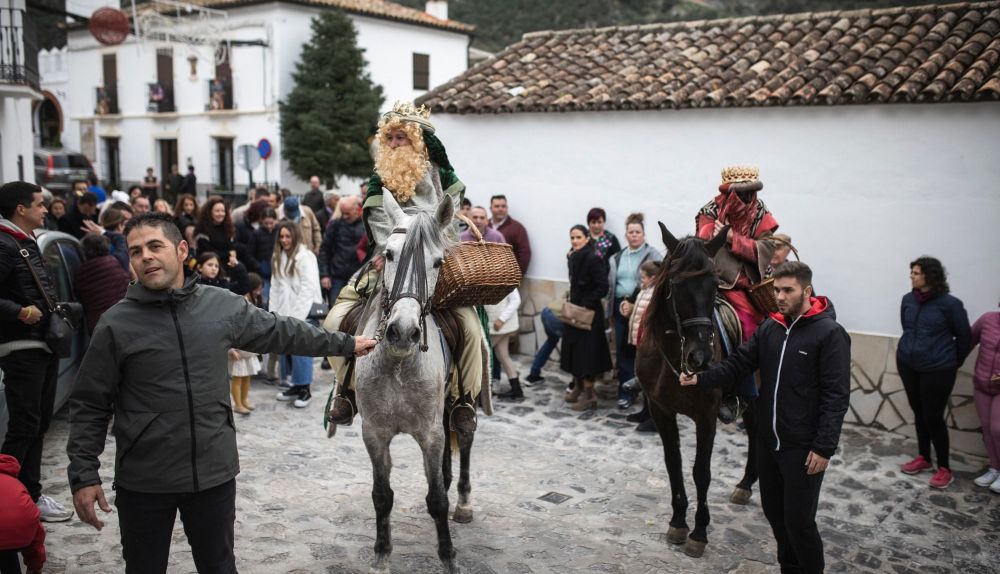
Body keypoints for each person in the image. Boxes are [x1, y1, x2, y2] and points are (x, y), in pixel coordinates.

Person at [66, 213, 376, 574]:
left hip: (212, 475)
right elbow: (89, 403)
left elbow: (283, 332)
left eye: (155, 246)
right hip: (145, 481)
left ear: (181, 250)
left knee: (219, 567)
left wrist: (345, 344)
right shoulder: (116, 324)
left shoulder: (221, 306)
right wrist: (84, 475)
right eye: (136, 252)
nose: (146, 257)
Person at [680, 261, 851, 574]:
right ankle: (790, 568)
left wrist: (824, 447)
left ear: (807, 291)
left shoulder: (830, 334)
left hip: (803, 448)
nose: (780, 296)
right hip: (768, 444)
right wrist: (700, 379)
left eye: (788, 290)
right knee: (774, 513)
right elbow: (739, 363)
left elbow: (836, 396)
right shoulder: (770, 328)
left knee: (799, 522)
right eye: (776, 290)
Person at [325, 101, 485, 434]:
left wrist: (432, 247)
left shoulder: (443, 177)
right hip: (389, 260)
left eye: (402, 138)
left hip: (433, 263)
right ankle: (346, 390)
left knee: (471, 330)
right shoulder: (378, 179)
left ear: (418, 142)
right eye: (391, 139)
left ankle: (463, 400)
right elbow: (379, 220)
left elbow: (450, 223)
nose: (395, 145)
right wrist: (392, 247)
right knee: (334, 320)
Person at [0, 181, 74, 522]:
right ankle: (8, 498)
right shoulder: (4, 244)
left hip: (40, 344)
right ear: (20, 208)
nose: (45, 209)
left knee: (38, 423)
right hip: (22, 346)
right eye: (39, 204)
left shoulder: (21, 241)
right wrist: (17, 311)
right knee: (24, 426)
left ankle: (30, 495)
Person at [696, 165, 780, 423]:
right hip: (707, 280)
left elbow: (766, 249)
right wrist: (717, 232)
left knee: (747, 326)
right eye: (740, 192)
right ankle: (649, 372)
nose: (745, 198)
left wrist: (732, 237)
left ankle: (740, 395)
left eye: (750, 192)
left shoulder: (761, 213)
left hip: (740, 286)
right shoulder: (710, 209)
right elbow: (703, 238)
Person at [897, 256, 972, 489]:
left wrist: (951, 362)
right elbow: (906, 327)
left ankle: (944, 468)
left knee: (933, 416)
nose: (911, 276)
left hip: (938, 369)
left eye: (916, 273)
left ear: (930, 276)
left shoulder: (950, 304)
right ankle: (924, 458)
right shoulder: (908, 300)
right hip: (909, 364)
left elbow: (965, 337)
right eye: (912, 272)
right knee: (919, 412)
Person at [607, 212, 662, 409]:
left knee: (644, 352)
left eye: (638, 232)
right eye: (630, 232)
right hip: (619, 308)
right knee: (623, 352)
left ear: (644, 234)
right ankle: (626, 392)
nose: (634, 235)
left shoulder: (653, 255)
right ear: (626, 235)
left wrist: (633, 303)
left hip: (643, 308)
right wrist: (612, 311)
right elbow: (612, 286)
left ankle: (649, 397)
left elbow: (658, 282)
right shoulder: (617, 257)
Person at [270, 222, 324, 407]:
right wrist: (273, 314)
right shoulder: (278, 257)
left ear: (295, 236)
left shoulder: (305, 256)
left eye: (288, 236)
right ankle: (293, 385)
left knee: (302, 349)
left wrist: (297, 316)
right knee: (286, 350)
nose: (284, 240)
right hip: (285, 311)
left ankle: (305, 389)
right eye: (282, 236)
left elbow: (308, 288)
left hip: (304, 312)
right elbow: (275, 288)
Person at [561, 224, 612, 411]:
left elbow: (603, 287)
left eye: (578, 238)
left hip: (589, 314)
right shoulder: (573, 256)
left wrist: (585, 303)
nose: (575, 241)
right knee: (574, 351)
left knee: (587, 355)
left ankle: (590, 396)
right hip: (574, 311)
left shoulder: (593, 258)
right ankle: (578, 387)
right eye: (572, 238)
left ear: (586, 238)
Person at [620, 259, 661, 431]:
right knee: (644, 378)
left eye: (643, 277)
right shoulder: (644, 290)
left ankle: (656, 419)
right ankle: (645, 411)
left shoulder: (656, 293)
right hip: (641, 342)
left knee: (652, 381)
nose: (641, 281)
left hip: (651, 345)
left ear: (653, 278)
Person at [971, 300, 1000, 492]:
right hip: (982, 384)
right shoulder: (987, 319)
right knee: (987, 429)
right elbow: (968, 340)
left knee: (998, 428)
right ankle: (994, 468)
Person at [73, 234, 129, 333]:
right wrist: (103, 231)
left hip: (98, 326)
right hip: (125, 318)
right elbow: (122, 242)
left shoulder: (79, 274)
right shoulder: (117, 261)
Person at [0, 454, 46, 574]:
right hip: (19, 534)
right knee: (7, 548)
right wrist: (35, 566)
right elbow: (36, 529)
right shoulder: (16, 484)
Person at [228, 274, 265, 415]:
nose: (259, 291)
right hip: (239, 348)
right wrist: (231, 348)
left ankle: (244, 400)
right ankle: (237, 403)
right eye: (258, 288)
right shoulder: (240, 301)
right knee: (238, 377)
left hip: (249, 347)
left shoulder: (254, 300)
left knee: (247, 376)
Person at [319, 195, 364, 303]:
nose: (344, 216)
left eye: (347, 213)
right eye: (343, 213)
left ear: (357, 209)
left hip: (359, 277)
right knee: (335, 311)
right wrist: (324, 275)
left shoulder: (366, 225)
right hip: (337, 276)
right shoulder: (335, 225)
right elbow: (325, 250)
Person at [490, 287, 524, 400]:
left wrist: (501, 319)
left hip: (499, 325)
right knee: (502, 355)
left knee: (481, 354)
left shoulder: (505, 272)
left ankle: (482, 392)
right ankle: (516, 390)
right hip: (498, 324)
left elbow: (516, 300)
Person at [489, 194, 532, 276]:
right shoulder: (485, 226)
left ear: (507, 208)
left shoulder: (517, 228)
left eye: (503, 206)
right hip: (485, 275)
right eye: (497, 206)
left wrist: (517, 276)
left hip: (507, 276)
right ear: (491, 208)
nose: (500, 209)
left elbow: (524, 253)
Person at [525, 305, 565, 384]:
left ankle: (534, 374)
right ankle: (575, 384)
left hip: (547, 312)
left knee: (551, 341)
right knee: (575, 347)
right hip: (557, 318)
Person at [195, 197, 236, 266]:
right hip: (209, 265)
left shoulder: (227, 228)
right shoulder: (202, 230)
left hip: (227, 264)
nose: (221, 214)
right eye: (217, 211)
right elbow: (209, 253)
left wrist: (232, 257)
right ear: (209, 212)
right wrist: (228, 254)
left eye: (223, 211)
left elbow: (231, 247)